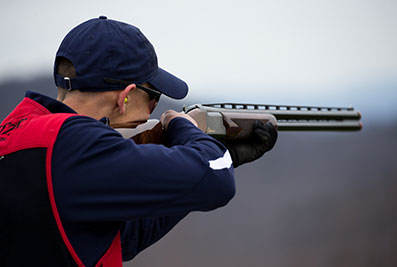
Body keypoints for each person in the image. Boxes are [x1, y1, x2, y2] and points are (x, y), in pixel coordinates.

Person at [0, 16, 277, 267]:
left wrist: (225, 156)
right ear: (126, 96)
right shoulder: (77, 144)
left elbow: (121, 239)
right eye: (153, 96)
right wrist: (182, 125)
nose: (154, 107)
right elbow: (217, 182)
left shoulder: (18, 133)